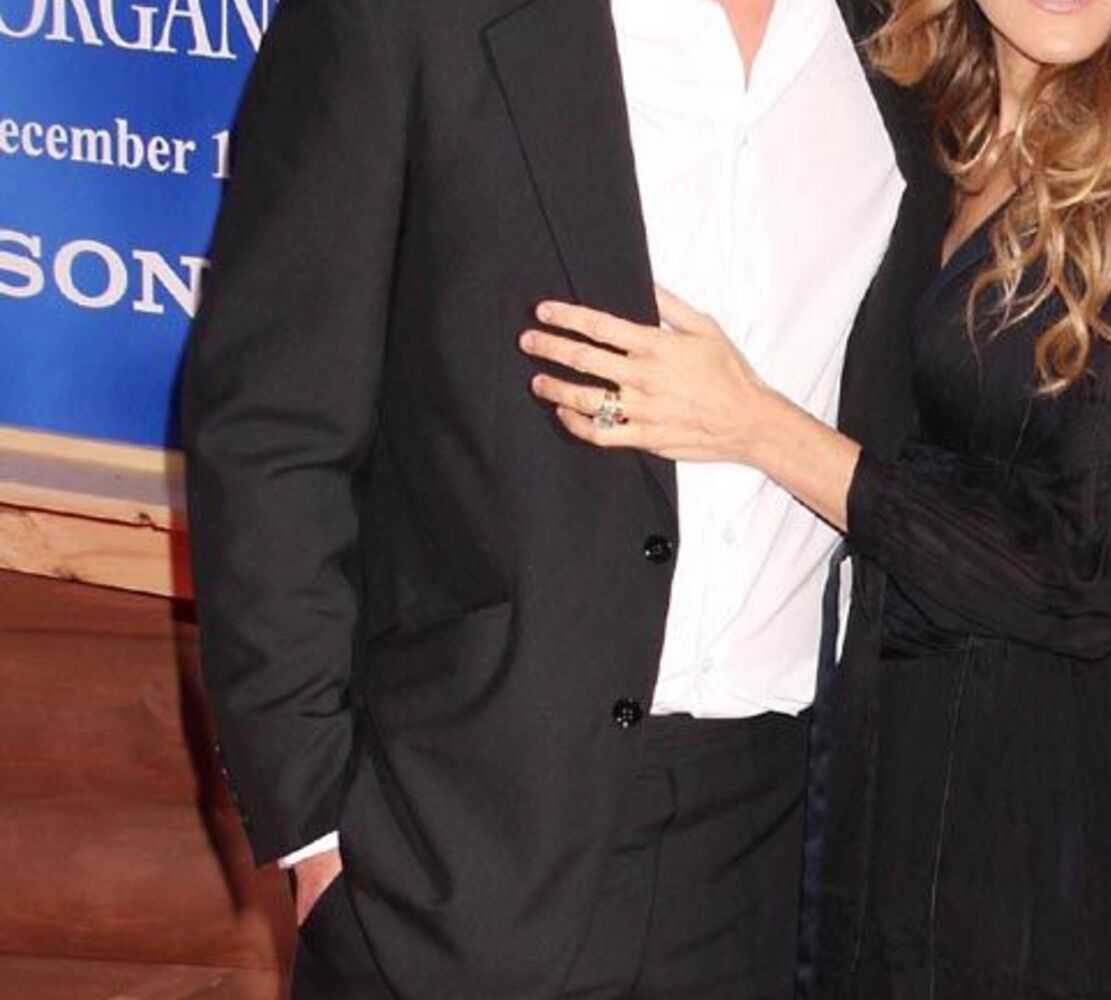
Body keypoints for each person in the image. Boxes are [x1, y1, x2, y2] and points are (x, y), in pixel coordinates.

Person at [519, 0, 1111, 996]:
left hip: (1036, 844)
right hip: (856, 793)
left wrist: (754, 424)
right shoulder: (929, 132)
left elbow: (1092, 572)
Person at [180, 0, 952, 994]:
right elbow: (271, 424)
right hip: (460, 834)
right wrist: (318, 831)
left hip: (782, 843)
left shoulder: (916, 36)